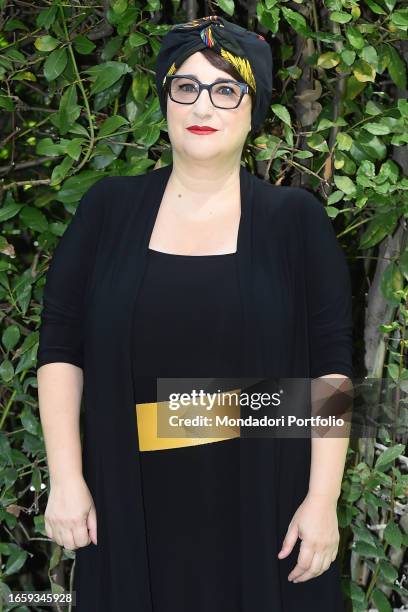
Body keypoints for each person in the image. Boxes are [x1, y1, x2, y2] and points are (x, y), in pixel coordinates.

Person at [36, 15, 353, 612]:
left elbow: (330, 369)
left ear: (252, 108)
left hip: (266, 502)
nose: (202, 104)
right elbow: (61, 348)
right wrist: (68, 479)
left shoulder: (296, 221)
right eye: (185, 86)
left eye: (225, 88)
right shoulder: (108, 211)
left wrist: (321, 500)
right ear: (165, 101)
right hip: (129, 505)